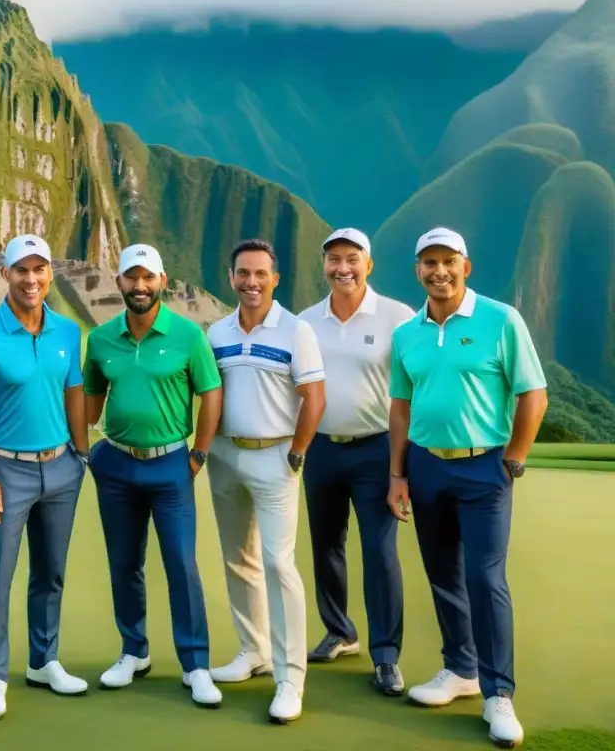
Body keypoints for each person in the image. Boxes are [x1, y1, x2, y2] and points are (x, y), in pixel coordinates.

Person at [388, 227, 548, 749]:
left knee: (485, 579)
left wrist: (514, 460)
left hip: (485, 468)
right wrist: (398, 473)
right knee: (442, 575)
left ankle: (498, 692)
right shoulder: (407, 332)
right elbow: (401, 408)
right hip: (427, 467)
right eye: (428, 263)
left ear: (466, 266)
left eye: (448, 261)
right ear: (418, 270)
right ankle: (459, 669)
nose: (439, 271)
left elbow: (533, 395)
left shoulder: (501, 319)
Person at [83, 243, 224, 709]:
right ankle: (134, 650)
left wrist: (198, 455)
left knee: (182, 563)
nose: (139, 286)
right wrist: (86, 452)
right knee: (125, 564)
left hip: (171, 465)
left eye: (148, 278)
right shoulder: (101, 339)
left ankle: (195, 663)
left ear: (162, 282)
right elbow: (90, 400)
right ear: (119, 282)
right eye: (131, 277)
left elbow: (211, 393)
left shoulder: (187, 336)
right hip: (116, 464)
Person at [0, 234, 90, 720]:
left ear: (49, 274)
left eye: (39, 270)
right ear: (6, 275)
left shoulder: (67, 332)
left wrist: (82, 453)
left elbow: (73, 392)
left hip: (60, 469)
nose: (30, 279)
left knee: (50, 572)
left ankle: (44, 660)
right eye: (21, 270)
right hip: (5, 470)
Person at [204, 238, 326, 723]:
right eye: (242, 273)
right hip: (225, 455)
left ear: (275, 278)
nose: (251, 282)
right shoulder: (216, 332)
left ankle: (289, 677)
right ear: (231, 278)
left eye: (260, 274)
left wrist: (296, 452)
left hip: (276, 456)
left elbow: (314, 399)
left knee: (280, 565)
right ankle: (252, 651)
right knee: (238, 559)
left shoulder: (296, 331)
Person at [296, 228, 415, 696]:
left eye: (351, 259)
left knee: (381, 552)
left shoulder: (397, 317)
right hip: (322, 448)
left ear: (369, 264)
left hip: (376, 449)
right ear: (323, 265)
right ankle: (341, 631)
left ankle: (386, 656)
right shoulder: (307, 321)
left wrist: (400, 467)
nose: (342, 268)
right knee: (325, 545)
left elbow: (410, 391)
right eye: (333, 259)